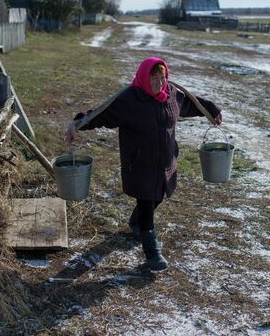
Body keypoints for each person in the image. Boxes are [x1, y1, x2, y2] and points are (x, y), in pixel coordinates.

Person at [64, 56, 222, 271]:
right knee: (147, 203)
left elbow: (191, 104)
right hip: (140, 164)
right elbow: (103, 114)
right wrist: (79, 123)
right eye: (153, 79)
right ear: (143, 78)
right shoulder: (130, 99)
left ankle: (136, 222)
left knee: (158, 197)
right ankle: (152, 253)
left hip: (166, 161)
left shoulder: (172, 95)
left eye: (162, 78)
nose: (159, 83)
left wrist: (212, 110)